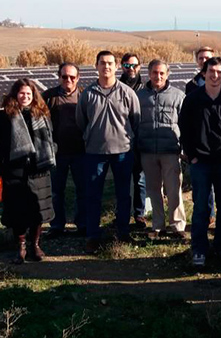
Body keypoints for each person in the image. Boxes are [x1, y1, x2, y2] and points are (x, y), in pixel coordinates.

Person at [76, 50, 141, 254]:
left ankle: (122, 232)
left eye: (111, 63)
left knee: (123, 195)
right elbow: (81, 121)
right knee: (93, 194)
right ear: (96, 66)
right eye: (103, 63)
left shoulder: (127, 93)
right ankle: (93, 236)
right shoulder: (87, 94)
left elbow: (135, 120)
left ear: (116, 66)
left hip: (123, 151)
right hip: (95, 152)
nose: (107, 67)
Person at [179, 57, 221, 267]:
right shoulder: (193, 99)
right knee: (201, 208)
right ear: (203, 73)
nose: (215, 76)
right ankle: (199, 249)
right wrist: (192, 155)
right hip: (201, 162)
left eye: (219, 72)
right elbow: (184, 129)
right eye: (211, 72)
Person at [0, 79, 55, 263]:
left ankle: (35, 244)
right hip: (14, 170)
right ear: (15, 94)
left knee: (37, 209)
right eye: (22, 93)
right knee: (17, 210)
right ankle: (21, 246)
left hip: (38, 169)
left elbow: (50, 138)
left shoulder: (42, 114)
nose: (25, 97)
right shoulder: (6, 116)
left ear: (34, 96)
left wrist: (51, 152)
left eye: (28, 94)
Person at [136, 59, 186, 239]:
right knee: (153, 190)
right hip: (148, 150)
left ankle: (177, 225)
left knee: (174, 190)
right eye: (155, 73)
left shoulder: (178, 96)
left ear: (167, 74)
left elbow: (185, 123)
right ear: (149, 74)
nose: (158, 76)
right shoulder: (139, 96)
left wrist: (184, 148)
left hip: (171, 150)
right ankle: (158, 226)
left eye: (162, 73)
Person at [43, 62, 86, 238]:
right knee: (55, 191)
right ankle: (57, 225)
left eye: (72, 77)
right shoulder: (49, 96)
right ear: (59, 76)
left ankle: (82, 224)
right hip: (57, 152)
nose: (68, 80)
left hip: (80, 152)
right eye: (64, 76)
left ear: (78, 78)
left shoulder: (85, 95)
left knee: (82, 190)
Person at [119, 53, 147, 230]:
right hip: (121, 139)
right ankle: (121, 214)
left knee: (139, 179)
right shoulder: (116, 86)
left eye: (134, 66)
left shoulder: (145, 87)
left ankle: (139, 214)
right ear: (122, 67)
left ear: (140, 67)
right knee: (121, 179)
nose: (131, 69)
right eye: (128, 66)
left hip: (141, 139)